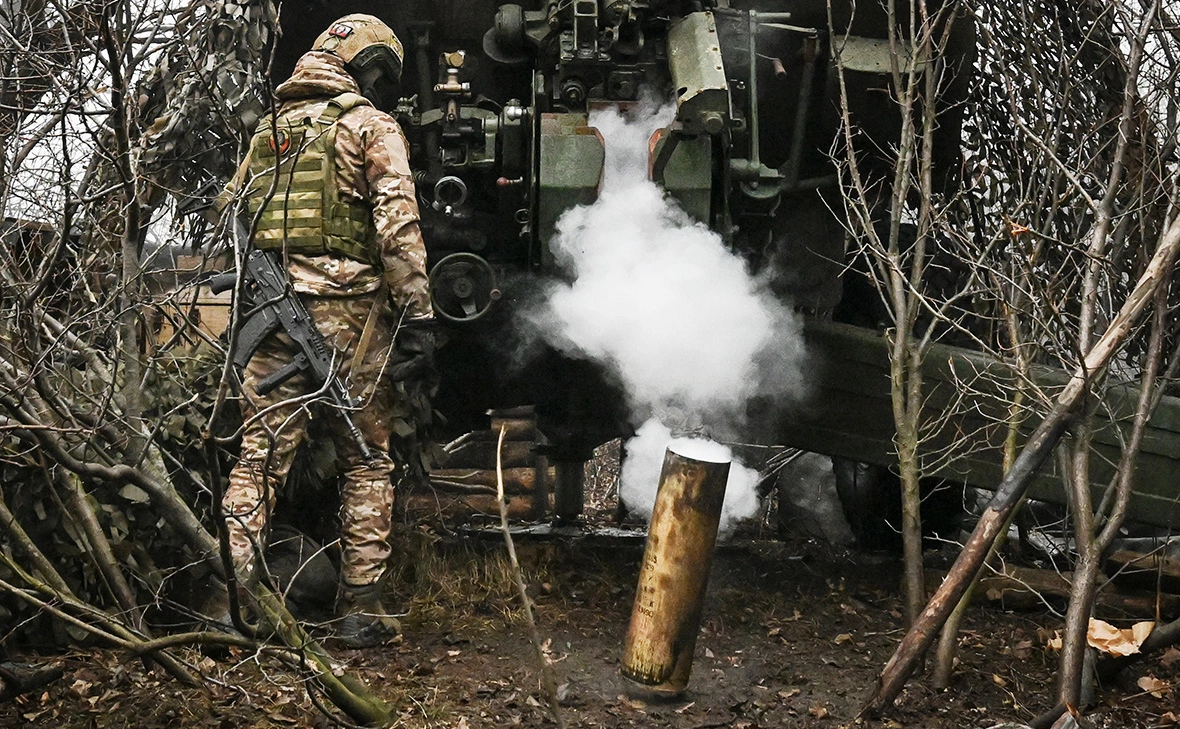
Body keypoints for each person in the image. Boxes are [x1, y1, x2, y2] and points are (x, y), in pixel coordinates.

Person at [216, 14, 434, 648]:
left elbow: (233, 219)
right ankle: (360, 609)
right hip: (350, 317)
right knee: (366, 458)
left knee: (258, 457)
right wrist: (417, 313)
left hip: (270, 315)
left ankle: (228, 600)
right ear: (369, 69)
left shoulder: (268, 131)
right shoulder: (370, 126)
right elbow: (397, 225)